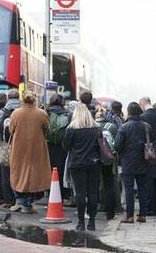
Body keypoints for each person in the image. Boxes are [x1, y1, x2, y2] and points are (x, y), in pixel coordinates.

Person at [8, 91, 51, 213]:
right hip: (36, 148)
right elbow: (47, 129)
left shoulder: (16, 113)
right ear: (35, 99)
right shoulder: (41, 113)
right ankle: (27, 203)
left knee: (18, 173)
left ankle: (20, 201)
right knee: (34, 175)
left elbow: (11, 130)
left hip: (19, 149)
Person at [62, 103, 102, 231]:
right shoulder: (96, 129)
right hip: (93, 163)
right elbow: (100, 146)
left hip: (77, 163)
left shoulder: (71, 129)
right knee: (92, 192)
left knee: (79, 193)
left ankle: (80, 223)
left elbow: (65, 146)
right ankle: (92, 222)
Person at [115, 102, 151, 224]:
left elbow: (117, 145)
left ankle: (129, 216)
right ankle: (143, 215)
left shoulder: (124, 127)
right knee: (143, 189)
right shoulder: (146, 126)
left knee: (129, 190)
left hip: (128, 162)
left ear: (128, 112)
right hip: (143, 161)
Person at [0, 90, 21, 209]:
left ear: (8, 98)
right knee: (20, 172)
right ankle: (20, 198)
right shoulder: (22, 111)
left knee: (5, 173)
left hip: (4, 145)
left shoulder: (1, 113)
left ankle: (8, 200)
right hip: (20, 145)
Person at [139, 97, 156, 217]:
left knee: (148, 180)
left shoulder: (143, 117)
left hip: (148, 152)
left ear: (143, 104)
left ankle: (149, 208)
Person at [95, 106, 119, 220]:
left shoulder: (92, 126)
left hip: (95, 158)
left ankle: (97, 207)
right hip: (109, 158)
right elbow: (117, 143)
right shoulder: (112, 127)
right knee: (109, 184)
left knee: (94, 185)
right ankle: (110, 211)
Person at [46, 94, 69, 201]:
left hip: (48, 145)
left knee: (49, 170)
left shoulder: (46, 112)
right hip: (62, 146)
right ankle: (62, 194)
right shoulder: (67, 114)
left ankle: (51, 194)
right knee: (61, 170)